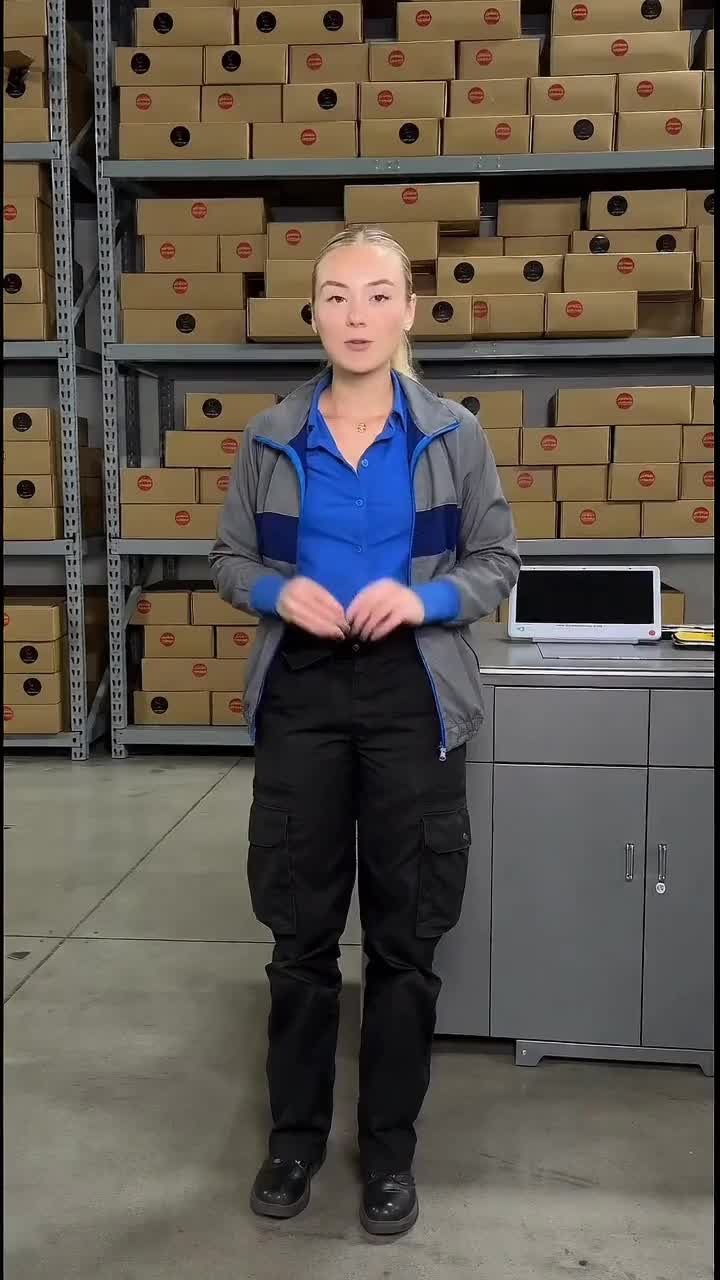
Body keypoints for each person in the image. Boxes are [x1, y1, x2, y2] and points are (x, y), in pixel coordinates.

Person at [210, 226, 520, 1237]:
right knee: (300, 935)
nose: (356, 314)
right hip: (302, 693)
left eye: (378, 294)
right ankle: (294, 1139)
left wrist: (422, 600)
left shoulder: (453, 437)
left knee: (404, 938)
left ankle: (389, 1151)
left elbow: (496, 561)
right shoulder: (270, 437)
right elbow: (227, 559)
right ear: (313, 313)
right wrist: (275, 591)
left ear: (408, 312)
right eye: (337, 295)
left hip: (410, 693)